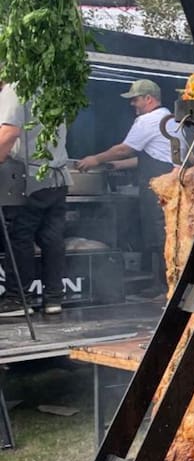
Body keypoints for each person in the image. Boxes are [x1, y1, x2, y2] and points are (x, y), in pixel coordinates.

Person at [77, 79, 181, 295]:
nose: (133, 104)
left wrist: (95, 160)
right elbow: (153, 153)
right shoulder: (170, 119)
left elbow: (123, 149)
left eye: (135, 99)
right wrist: (118, 165)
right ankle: (167, 283)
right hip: (173, 184)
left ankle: (164, 286)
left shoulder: (147, 120)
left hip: (160, 187)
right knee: (169, 232)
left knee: (160, 234)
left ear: (148, 99)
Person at [0, 82, 70, 317]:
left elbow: (8, 134)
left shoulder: (15, 90)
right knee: (52, 238)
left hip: (28, 179)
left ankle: (17, 298)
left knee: (20, 236)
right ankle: (54, 298)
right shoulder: (52, 89)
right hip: (57, 178)